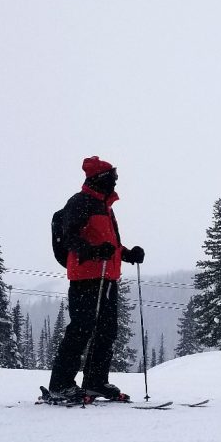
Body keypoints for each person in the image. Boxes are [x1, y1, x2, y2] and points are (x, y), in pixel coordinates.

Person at [49, 156, 145, 402]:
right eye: (112, 177)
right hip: (85, 278)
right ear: (100, 179)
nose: (115, 182)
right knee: (80, 330)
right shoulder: (80, 202)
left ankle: (95, 381)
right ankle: (60, 384)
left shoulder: (105, 207)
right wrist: (93, 252)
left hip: (108, 278)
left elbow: (110, 245)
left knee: (107, 331)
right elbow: (69, 237)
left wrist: (127, 254)